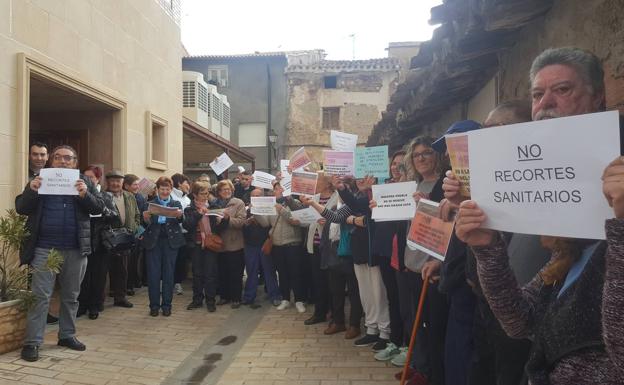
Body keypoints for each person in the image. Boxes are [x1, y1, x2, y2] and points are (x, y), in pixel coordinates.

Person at [455, 47, 623, 384]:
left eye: (562, 90)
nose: (545, 103)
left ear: (598, 97)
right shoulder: (570, 233)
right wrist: (487, 249)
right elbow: (520, 322)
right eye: (536, 94)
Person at [17, 145, 103, 362]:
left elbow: (98, 208)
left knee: (71, 296)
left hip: (76, 248)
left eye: (68, 158)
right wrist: (32, 190)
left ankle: (66, 335)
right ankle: (33, 342)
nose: (63, 161)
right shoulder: (40, 180)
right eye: (58, 158)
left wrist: (85, 195)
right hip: (44, 248)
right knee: (40, 297)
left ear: (75, 161)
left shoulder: (85, 182)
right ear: (51, 161)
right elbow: (21, 207)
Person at [302, 175, 391, 353]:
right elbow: (334, 217)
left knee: (378, 293)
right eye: (357, 179)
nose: (360, 181)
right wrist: (312, 203)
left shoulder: (372, 195)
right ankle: (372, 328)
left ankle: (385, 332)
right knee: (366, 293)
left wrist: (358, 219)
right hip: (357, 252)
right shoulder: (355, 200)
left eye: (362, 178)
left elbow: (371, 219)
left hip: (372, 252)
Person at [302, 178, 363, 339]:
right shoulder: (338, 205)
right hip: (333, 253)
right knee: (335, 290)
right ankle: (338, 321)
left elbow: (335, 218)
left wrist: (313, 204)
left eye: (345, 188)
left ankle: (354, 325)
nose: (341, 191)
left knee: (353, 291)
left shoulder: (352, 207)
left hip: (348, 253)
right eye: (340, 188)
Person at [256, 181, 307, 312]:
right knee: (282, 273)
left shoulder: (294, 203)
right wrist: (256, 211)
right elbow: (265, 223)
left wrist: (282, 210)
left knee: (296, 273)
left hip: (293, 244)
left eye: (280, 188)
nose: (278, 190)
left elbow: (298, 221)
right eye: (276, 189)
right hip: (277, 245)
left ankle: (299, 300)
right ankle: (285, 299)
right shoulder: (271, 205)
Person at [142, 176, 185, 317]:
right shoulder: (149, 203)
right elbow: (143, 223)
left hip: (170, 242)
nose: (165, 192)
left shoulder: (176, 203)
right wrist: (146, 218)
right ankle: (154, 306)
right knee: (153, 275)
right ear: (157, 189)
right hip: (153, 242)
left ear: (171, 189)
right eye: (162, 189)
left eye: (167, 189)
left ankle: (167, 305)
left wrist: (179, 216)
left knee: (168, 274)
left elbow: (182, 221)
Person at [78, 165, 116, 320]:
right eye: (85, 177)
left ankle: (95, 305)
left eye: (91, 178)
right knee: (83, 275)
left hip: (100, 241)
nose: (87, 181)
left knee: (98, 275)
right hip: (83, 239)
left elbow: (115, 217)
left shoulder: (106, 196)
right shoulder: (79, 193)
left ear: (98, 179)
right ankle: (82, 304)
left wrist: (103, 212)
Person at [302, 173, 336, 325]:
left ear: (328, 183)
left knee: (331, 281)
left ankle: (334, 313)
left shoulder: (337, 197)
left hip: (329, 245)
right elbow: (309, 218)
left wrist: (327, 222)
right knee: (318, 280)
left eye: (318, 180)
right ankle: (319, 312)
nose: (315, 183)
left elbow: (338, 218)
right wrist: (301, 219)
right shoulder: (313, 197)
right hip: (314, 244)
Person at [183, 181, 221, 312]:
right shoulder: (190, 208)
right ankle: (197, 300)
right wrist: (199, 213)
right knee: (197, 273)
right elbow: (187, 225)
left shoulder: (214, 206)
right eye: (202, 193)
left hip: (210, 243)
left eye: (207, 193)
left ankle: (211, 300)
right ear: (195, 195)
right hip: (197, 244)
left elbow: (220, 227)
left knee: (210, 273)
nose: (205, 196)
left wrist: (223, 219)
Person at [105, 170, 140, 309]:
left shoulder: (130, 196)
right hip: (108, 238)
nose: (115, 183)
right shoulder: (103, 196)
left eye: (118, 181)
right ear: (108, 182)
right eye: (112, 181)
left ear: (122, 183)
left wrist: (135, 227)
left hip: (125, 239)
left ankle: (120, 297)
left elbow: (137, 214)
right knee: (104, 271)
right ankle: (99, 300)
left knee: (123, 270)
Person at [242, 188, 281, 308]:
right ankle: (249, 297)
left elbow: (270, 224)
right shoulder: (246, 210)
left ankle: (274, 296)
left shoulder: (269, 209)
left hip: (264, 244)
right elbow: (241, 225)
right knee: (251, 272)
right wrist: (247, 222)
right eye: (254, 196)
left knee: (269, 271)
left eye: (259, 196)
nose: (256, 198)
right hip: (250, 245)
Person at [212, 179, 247, 308]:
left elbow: (241, 222)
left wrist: (227, 219)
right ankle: (224, 296)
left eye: (228, 189)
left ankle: (236, 298)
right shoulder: (215, 204)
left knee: (235, 272)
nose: (226, 191)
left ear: (232, 190)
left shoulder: (238, 203)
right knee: (222, 272)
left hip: (235, 243)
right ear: (219, 192)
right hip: (220, 244)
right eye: (223, 190)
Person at [123, 174, 148, 290]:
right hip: (124, 233)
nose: (137, 186)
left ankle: (132, 283)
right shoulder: (123, 196)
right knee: (125, 262)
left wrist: (140, 233)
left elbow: (141, 218)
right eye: (135, 184)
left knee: (134, 260)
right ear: (126, 185)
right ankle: (125, 285)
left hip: (137, 233)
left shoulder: (140, 198)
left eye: (138, 184)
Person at [171, 173, 191, 295]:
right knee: (172, 259)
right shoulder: (172, 196)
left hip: (185, 233)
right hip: (174, 232)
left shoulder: (187, 198)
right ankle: (169, 282)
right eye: (186, 183)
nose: (188, 186)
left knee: (181, 260)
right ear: (179, 183)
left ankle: (177, 282)